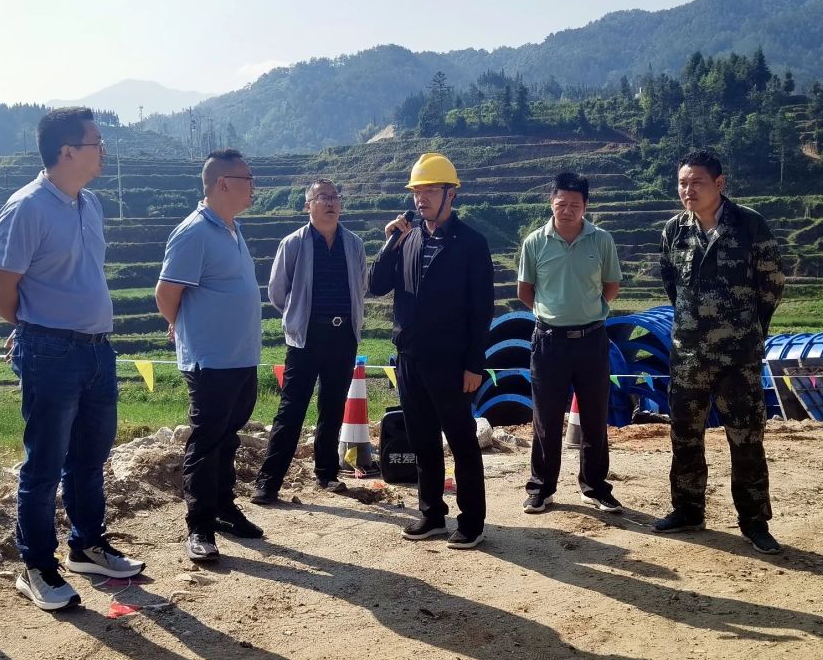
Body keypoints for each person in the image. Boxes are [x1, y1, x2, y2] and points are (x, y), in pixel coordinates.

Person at [0, 107, 144, 614]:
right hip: (51, 351)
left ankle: (87, 546)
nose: (104, 151)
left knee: (90, 458)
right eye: (97, 143)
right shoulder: (27, 207)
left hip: (97, 349)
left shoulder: (88, 203)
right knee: (44, 464)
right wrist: (30, 329)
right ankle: (36, 566)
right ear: (68, 151)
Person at [652, 150, 786, 553]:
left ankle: (754, 521)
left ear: (719, 184)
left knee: (746, 438)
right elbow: (671, 285)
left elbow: (771, 285)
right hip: (688, 355)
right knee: (685, 435)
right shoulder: (674, 230)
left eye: (696, 182)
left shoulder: (749, 225)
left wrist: (749, 331)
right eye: (682, 183)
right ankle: (688, 509)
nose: (688, 190)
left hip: (737, 357)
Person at [368, 151, 494, 548]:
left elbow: (482, 309)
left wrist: (474, 363)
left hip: (451, 360)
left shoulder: (471, 243)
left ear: (450, 194)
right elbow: (376, 285)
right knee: (421, 438)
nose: (420, 199)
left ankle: (471, 521)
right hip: (410, 356)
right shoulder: (406, 238)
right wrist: (389, 243)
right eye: (416, 191)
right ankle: (432, 513)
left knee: (461, 440)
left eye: (429, 191)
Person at [156, 150, 266, 565]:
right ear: (223, 183)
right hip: (211, 360)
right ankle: (199, 525)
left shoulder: (231, 228)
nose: (253, 187)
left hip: (241, 357)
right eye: (247, 179)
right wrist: (182, 327)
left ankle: (223, 507)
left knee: (227, 438)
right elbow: (167, 293)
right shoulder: (194, 232)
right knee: (206, 443)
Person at [250, 179, 366, 504]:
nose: (330, 203)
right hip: (305, 338)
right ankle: (268, 482)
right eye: (322, 197)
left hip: (343, 336)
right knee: (291, 409)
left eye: (334, 197)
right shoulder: (293, 244)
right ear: (308, 205)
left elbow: (361, 285)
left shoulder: (354, 244)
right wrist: (299, 315)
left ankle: (326, 474)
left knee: (333, 407)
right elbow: (277, 292)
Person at [517, 170, 624, 515]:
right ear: (552, 202)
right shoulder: (535, 242)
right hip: (549, 343)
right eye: (561, 203)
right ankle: (541, 488)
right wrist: (551, 315)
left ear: (585, 206)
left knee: (594, 417)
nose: (567, 210)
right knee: (545, 420)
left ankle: (595, 488)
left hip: (592, 340)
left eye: (574, 204)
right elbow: (525, 291)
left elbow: (611, 285)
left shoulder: (601, 240)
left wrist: (592, 311)